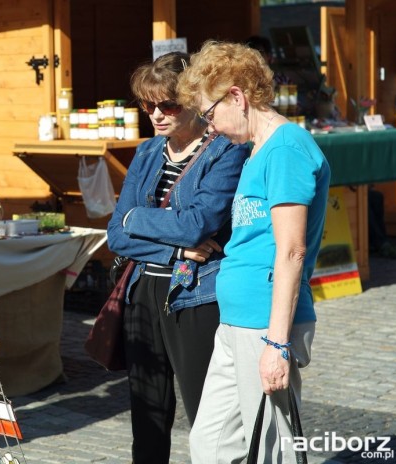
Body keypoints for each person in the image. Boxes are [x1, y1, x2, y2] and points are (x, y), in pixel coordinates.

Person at [177, 41, 330, 463]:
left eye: (210, 114)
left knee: (272, 450)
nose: (210, 127)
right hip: (236, 320)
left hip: (264, 323)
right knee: (209, 446)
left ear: (237, 96)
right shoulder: (257, 151)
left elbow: (292, 250)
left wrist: (276, 345)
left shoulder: (285, 149)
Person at [106, 52, 250, 464]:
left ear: (192, 100)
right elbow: (117, 233)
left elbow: (197, 225)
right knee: (147, 417)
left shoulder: (225, 151)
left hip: (192, 292)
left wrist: (140, 218)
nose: (156, 114)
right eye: (148, 105)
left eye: (167, 104)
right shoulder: (148, 152)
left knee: (207, 414)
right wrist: (171, 246)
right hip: (141, 291)